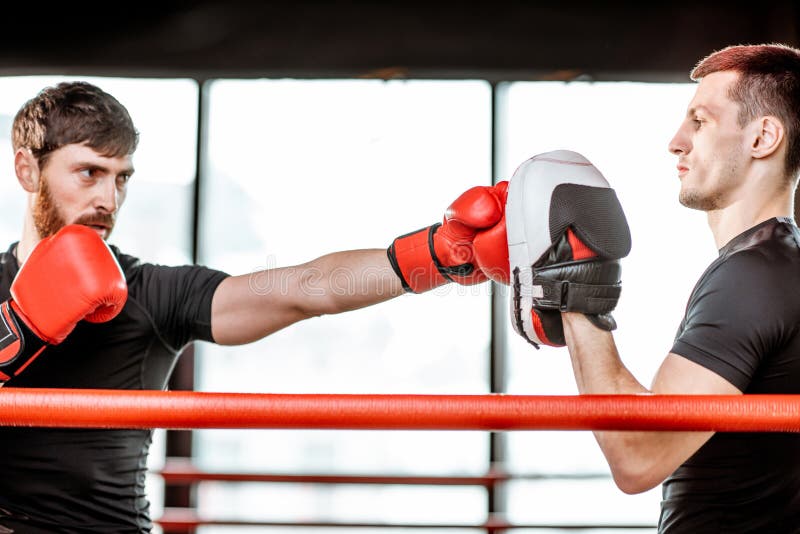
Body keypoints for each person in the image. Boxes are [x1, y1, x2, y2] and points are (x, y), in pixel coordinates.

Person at [0, 81, 512, 532]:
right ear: (27, 170)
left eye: (121, 178)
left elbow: (306, 288)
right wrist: (16, 329)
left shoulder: (153, 294)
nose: (109, 201)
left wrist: (435, 255)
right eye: (89, 172)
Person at [519, 43, 800, 532]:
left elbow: (638, 455)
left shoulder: (754, 275)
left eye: (700, 121)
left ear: (763, 138)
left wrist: (575, 292)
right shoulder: (775, 261)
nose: (676, 142)